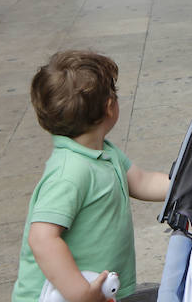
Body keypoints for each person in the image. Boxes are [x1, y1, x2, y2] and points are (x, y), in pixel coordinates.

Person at [11, 50, 170, 302]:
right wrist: (80, 293)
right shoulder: (70, 172)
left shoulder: (104, 152)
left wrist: (186, 184)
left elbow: (142, 181)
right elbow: (41, 238)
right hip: (55, 296)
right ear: (109, 106)